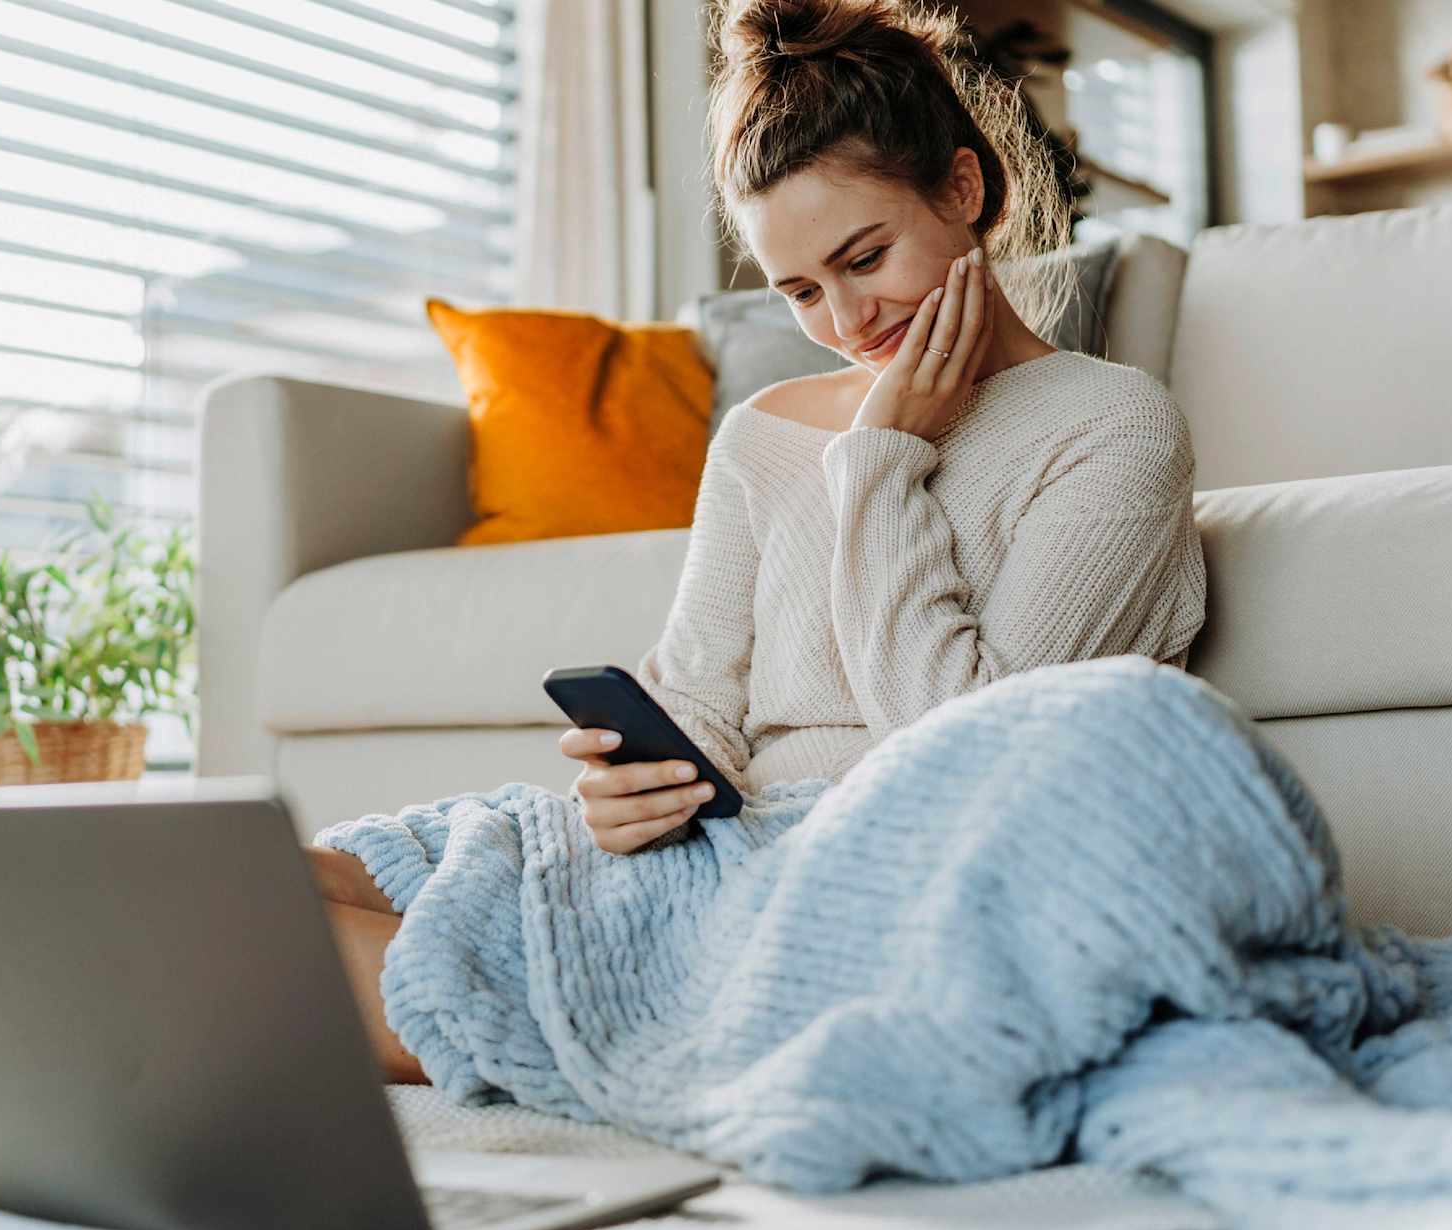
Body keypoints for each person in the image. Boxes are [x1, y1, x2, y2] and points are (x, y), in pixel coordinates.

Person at [307, 0, 1210, 1083]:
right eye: (799, 290)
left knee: (281, 960)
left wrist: (882, 459)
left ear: (962, 190)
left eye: (863, 256)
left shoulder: (1112, 424)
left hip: (881, 875)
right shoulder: (761, 431)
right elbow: (696, 694)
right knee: (255, 879)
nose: (846, 320)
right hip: (715, 845)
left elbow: (972, 761)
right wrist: (630, 786)